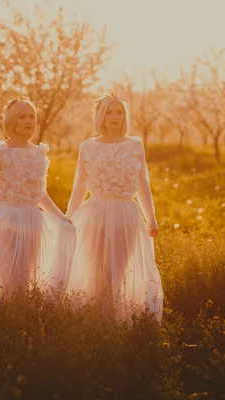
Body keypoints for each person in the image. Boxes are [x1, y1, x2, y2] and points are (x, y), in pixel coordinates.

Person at [0, 98, 75, 313]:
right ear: (11, 121)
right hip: (7, 219)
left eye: (31, 116)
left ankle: (23, 322)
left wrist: (62, 218)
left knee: (27, 276)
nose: (28, 121)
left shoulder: (39, 153)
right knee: (9, 276)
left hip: (33, 220)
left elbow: (40, 193)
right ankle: (7, 321)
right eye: (22, 117)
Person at [65, 92, 163, 321]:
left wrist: (151, 219)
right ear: (100, 115)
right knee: (98, 274)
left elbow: (142, 184)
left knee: (117, 274)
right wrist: (69, 217)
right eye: (109, 112)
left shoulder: (135, 145)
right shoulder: (87, 146)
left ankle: (115, 325)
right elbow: (80, 186)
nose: (115, 116)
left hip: (126, 215)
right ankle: (97, 326)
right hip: (95, 215)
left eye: (119, 112)